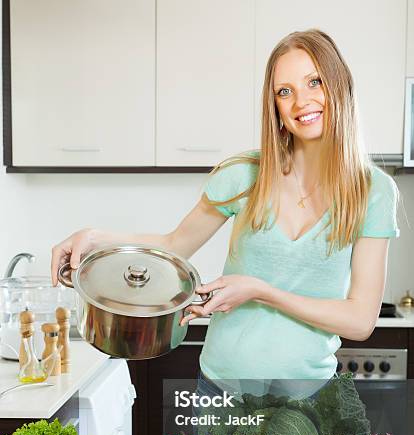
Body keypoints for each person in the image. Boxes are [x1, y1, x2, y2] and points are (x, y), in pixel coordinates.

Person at [51, 29, 399, 402]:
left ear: (339, 86)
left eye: (314, 82)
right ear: (276, 108)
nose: (301, 101)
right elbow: (174, 246)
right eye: (285, 91)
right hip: (221, 391)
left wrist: (261, 291)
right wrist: (96, 237)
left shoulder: (373, 192)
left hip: (308, 401)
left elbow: (361, 320)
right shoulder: (244, 174)